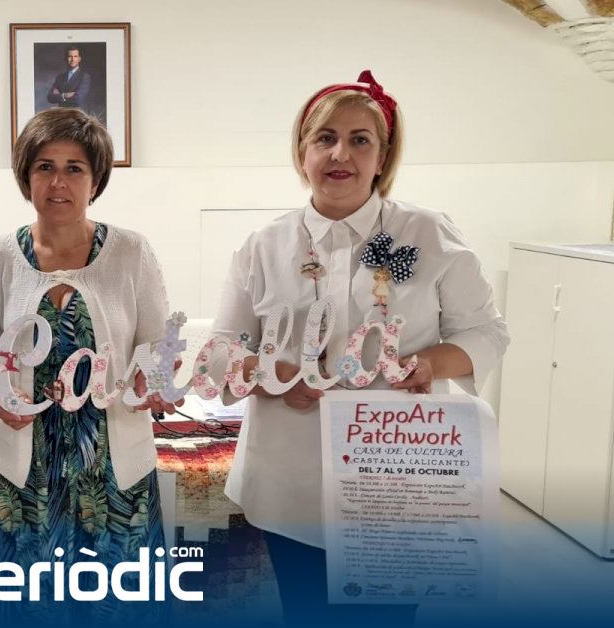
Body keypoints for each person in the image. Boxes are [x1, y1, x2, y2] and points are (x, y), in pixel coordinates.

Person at [214, 71, 509, 626]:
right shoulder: (263, 246)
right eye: (325, 138)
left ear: (382, 157)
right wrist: (273, 373)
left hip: (396, 475)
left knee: (388, 617)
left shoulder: (429, 234)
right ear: (302, 152)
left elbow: (487, 332)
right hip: (289, 477)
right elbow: (223, 349)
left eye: (359, 140)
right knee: (305, 614)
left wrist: (430, 363)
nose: (340, 154)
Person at [0, 107, 176, 619]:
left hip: (115, 474)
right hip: (20, 474)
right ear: (26, 176)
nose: (58, 182)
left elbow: (158, 345)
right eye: (45, 167)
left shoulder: (131, 252)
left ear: (95, 180)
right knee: (20, 607)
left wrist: (152, 379)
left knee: (121, 607)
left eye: (74, 168)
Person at [46, 46, 91, 110]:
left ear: (79, 59)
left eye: (75, 56)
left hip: (77, 113)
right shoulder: (60, 77)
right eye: (70, 56)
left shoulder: (84, 77)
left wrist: (59, 96)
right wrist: (65, 95)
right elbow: (50, 97)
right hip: (61, 113)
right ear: (66, 58)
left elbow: (78, 100)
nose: (73, 59)